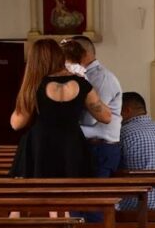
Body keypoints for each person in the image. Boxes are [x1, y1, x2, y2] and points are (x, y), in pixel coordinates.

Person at [9, 39, 111, 178]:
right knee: (73, 194)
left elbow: (16, 124)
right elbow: (106, 117)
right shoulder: (81, 83)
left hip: (40, 147)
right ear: (59, 56)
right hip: (72, 145)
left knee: (41, 195)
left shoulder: (34, 86)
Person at [62, 36, 123, 177]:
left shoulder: (101, 77)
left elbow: (91, 119)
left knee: (97, 195)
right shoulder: (81, 76)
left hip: (100, 147)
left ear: (83, 54)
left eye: (69, 54)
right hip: (87, 145)